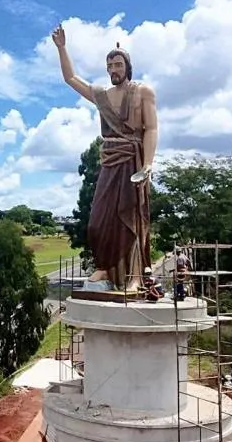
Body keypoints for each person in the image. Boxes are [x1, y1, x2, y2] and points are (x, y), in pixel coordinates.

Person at [52, 24, 158, 292]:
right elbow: (71, 79)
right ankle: (105, 268)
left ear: (127, 66)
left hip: (133, 161)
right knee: (98, 220)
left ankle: (134, 276)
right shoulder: (102, 96)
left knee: (132, 218)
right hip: (109, 161)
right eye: (110, 65)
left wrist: (147, 164)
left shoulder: (143, 91)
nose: (113, 69)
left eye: (118, 64)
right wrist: (62, 48)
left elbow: (152, 128)